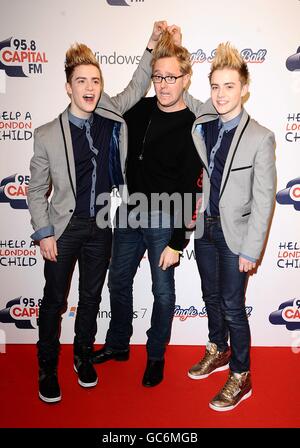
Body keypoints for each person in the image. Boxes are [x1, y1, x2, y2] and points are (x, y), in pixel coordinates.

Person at [27, 23, 165, 403]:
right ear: (68, 86)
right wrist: (44, 231)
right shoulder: (47, 134)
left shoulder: (108, 112)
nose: (90, 87)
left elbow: (138, 86)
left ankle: (82, 355)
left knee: (90, 297)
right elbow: (36, 190)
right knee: (54, 301)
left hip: (102, 223)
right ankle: (46, 365)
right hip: (64, 228)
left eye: (96, 80)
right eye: (82, 80)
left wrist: (151, 45)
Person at [92, 29, 204, 387]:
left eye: (172, 77)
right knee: (118, 281)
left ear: (186, 79)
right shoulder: (138, 109)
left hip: (166, 215)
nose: (164, 85)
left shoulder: (193, 124)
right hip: (128, 210)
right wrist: (151, 47)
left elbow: (191, 187)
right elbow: (130, 90)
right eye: (159, 77)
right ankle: (118, 344)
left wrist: (177, 241)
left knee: (163, 292)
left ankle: (155, 355)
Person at [184, 42, 276, 411]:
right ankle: (217, 349)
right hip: (205, 230)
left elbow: (265, 198)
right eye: (216, 87)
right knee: (210, 297)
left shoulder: (261, 137)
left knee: (232, 306)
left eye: (230, 86)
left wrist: (251, 250)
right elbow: (177, 88)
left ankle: (242, 374)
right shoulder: (206, 128)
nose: (222, 95)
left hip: (236, 236)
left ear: (244, 89)